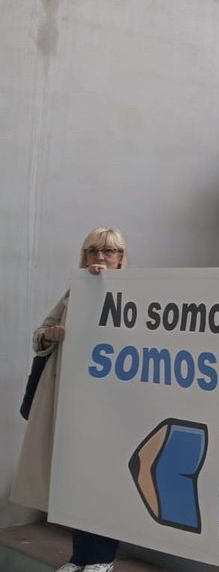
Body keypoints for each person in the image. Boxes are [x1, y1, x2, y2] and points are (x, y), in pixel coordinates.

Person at [13, 228, 129, 572]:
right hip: (70, 402)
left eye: (108, 251)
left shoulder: (137, 293)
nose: (100, 257)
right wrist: (51, 335)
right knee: (74, 482)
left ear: (121, 257)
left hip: (110, 406)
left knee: (103, 482)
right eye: (93, 250)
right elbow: (40, 335)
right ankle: (81, 556)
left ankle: (103, 558)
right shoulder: (73, 292)